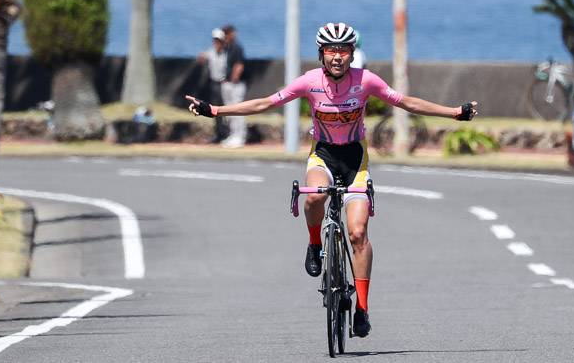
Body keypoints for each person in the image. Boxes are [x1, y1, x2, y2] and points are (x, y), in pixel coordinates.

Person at [185, 22, 478, 338]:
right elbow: (265, 103)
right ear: (321, 54)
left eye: (343, 50)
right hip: (323, 155)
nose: (337, 57)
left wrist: (454, 113)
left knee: (358, 233)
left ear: (352, 54)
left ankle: (362, 309)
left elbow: (407, 102)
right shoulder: (310, 82)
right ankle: (314, 244)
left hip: (355, 161)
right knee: (313, 197)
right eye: (331, 50)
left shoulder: (365, 81)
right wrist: (214, 110)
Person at [197, 28, 228, 143]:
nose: (217, 43)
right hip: (214, 84)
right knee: (216, 110)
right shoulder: (211, 52)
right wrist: (201, 58)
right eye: (215, 41)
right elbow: (201, 61)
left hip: (224, 84)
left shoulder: (227, 54)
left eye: (219, 41)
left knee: (228, 108)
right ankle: (219, 132)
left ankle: (228, 132)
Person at [220, 24, 248, 148]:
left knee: (238, 110)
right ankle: (233, 134)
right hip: (229, 84)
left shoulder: (237, 48)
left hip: (235, 85)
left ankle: (240, 136)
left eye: (227, 33)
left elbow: (239, 65)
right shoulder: (228, 48)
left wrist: (233, 80)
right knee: (230, 112)